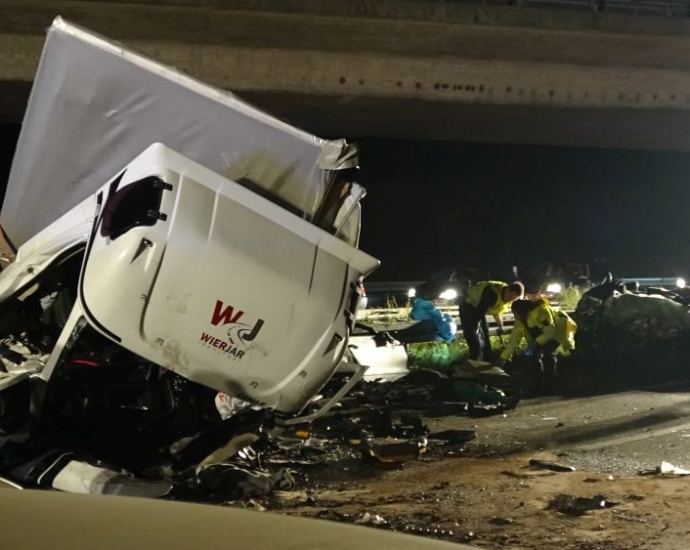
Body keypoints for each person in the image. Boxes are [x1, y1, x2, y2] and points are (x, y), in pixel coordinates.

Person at [499, 297, 577, 385]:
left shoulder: (542, 311)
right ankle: (540, 382)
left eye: (515, 314)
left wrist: (536, 343)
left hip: (559, 331)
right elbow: (515, 338)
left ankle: (550, 382)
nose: (515, 316)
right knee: (535, 357)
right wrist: (504, 357)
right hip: (542, 336)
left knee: (548, 354)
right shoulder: (520, 321)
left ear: (523, 312)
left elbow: (550, 331)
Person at [458, 280, 524, 361]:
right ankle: (474, 360)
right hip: (468, 304)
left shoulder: (504, 295)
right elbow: (479, 314)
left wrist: (500, 326)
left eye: (512, 300)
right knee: (472, 334)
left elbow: (496, 311)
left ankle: (487, 359)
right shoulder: (491, 294)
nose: (509, 301)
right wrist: (477, 330)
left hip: (478, 307)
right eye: (510, 297)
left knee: (485, 333)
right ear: (508, 290)